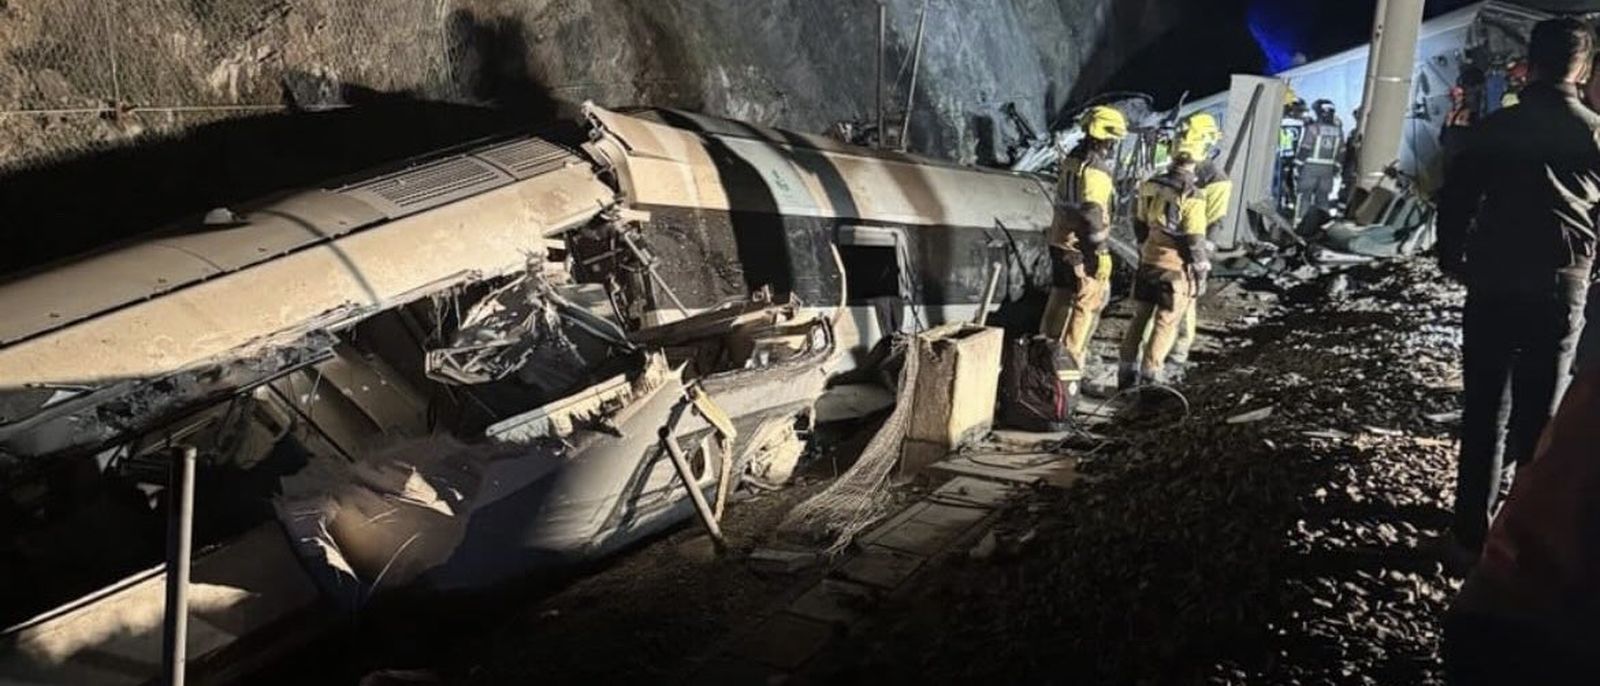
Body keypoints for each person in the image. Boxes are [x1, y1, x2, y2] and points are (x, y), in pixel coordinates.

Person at [1434, 16, 1600, 565]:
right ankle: (1521, 542)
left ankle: (1468, 536)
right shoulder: (1596, 132)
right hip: (1560, 285)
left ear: (1533, 62)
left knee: (1485, 409)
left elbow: (1454, 201)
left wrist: (1452, 257)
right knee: (1542, 419)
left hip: (1494, 281)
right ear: (1584, 67)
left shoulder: (1497, 129)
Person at [1444, 318, 1600, 685]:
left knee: (1487, 412)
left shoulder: (1590, 391)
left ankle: (1469, 535)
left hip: (1488, 613)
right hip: (1550, 639)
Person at [1041, 105, 1127, 390]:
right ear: (1105, 138)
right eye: (1113, 140)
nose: (1114, 146)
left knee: (1058, 300)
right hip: (1081, 249)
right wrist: (1100, 252)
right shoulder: (1096, 169)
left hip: (1060, 242)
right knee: (1084, 308)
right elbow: (1092, 213)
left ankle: (1041, 362)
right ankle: (1069, 374)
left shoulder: (1073, 159)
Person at [1117, 137, 1211, 389]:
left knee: (1140, 317)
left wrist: (1143, 245)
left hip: (1148, 261)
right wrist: (1201, 270)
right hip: (1174, 270)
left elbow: (1138, 222)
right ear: (1198, 157)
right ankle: (1150, 377)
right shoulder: (1193, 194)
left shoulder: (1150, 184)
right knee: (1165, 322)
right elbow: (1193, 240)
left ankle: (1125, 374)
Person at [1295, 99, 1344, 221]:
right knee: (1323, 199)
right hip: (1328, 170)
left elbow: (1305, 149)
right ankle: (1322, 225)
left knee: (1304, 197)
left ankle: (1300, 223)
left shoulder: (1312, 129)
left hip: (1310, 168)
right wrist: (1336, 167)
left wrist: (1297, 166)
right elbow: (1341, 153)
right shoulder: (1339, 132)